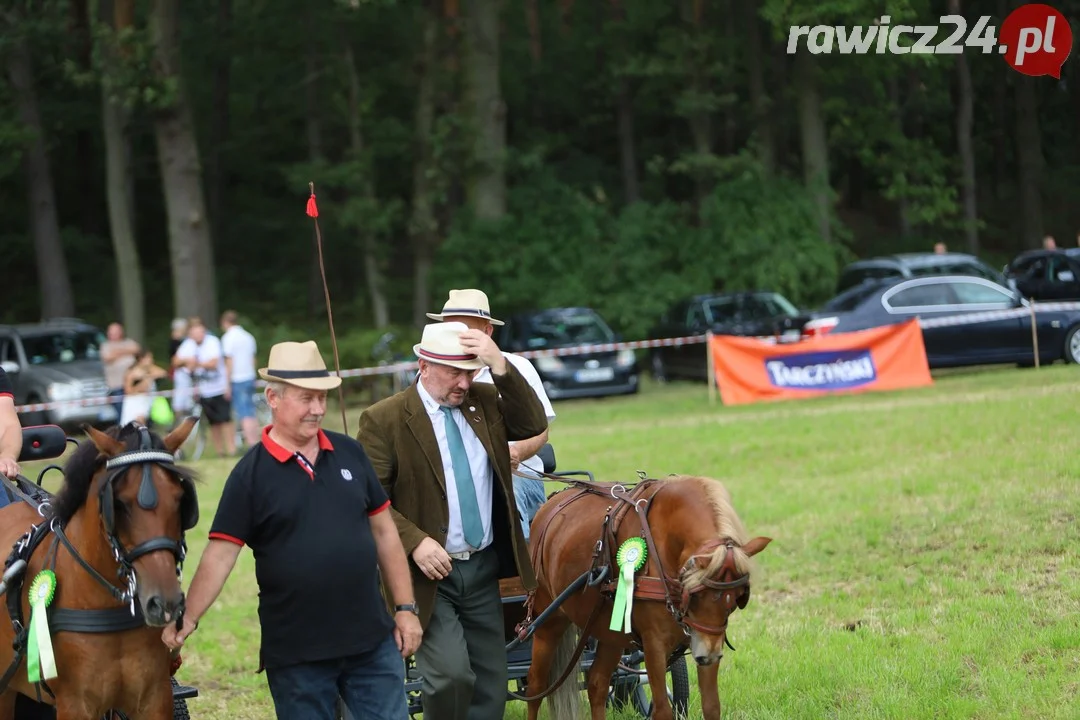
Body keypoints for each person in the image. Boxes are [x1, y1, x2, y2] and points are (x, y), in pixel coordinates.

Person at [161, 340, 420, 720]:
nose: (317, 409)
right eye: (306, 399)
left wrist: (405, 609)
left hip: (372, 644)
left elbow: (385, 534)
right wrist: (188, 619)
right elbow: (220, 555)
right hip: (298, 655)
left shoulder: (350, 453)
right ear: (273, 398)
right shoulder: (249, 475)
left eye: (322, 398)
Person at [355, 321, 548, 720]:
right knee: (450, 676)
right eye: (453, 372)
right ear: (423, 365)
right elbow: (367, 498)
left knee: (490, 680)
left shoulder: (485, 401)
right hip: (426, 575)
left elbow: (532, 424)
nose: (463, 382)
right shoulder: (384, 419)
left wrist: (498, 365)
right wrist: (415, 542)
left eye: (470, 371)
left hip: (481, 566)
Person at [426, 289, 556, 540]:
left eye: (466, 331)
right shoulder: (432, 374)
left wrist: (516, 452)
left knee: (505, 491)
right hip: (454, 481)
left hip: (519, 477)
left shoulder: (517, 369)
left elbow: (541, 432)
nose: (457, 338)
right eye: (449, 330)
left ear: (487, 332)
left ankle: (520, 574)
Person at [173, 318, 235, 457]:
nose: (198, 335)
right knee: (213, 423)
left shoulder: (212, 342)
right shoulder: (188, 344)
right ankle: (220, 451)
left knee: (225, 419)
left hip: (218, 387)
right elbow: (175, 361)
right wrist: (187, 361)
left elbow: (213, 363)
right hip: (203, 390)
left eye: (200, 332)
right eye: (194, 333)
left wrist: (196, 364)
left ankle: (232, 450)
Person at [220, 310, 260, 448]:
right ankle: (255, 440)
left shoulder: (228, 338)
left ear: (225, 323)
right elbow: (253, 358)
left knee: (244, 413)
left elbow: (229, 362)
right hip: (249, 376)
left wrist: (227, 384)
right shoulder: (248, 337)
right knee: (251, 411)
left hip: (238, 378)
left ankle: (251, 443)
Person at [100, 322, 140, 421]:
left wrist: (117, 352)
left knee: (135, 411)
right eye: (110, 332)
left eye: (115, 332)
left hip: (133, 385)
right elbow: (108, 357)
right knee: (122, 414)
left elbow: (136, 349)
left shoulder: (128, 342)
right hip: (116, 386)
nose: (112, 334)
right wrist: (126, 351)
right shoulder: (105, 346)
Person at [120, 350, 169, 427]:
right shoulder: (132, 373)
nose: (151, 360)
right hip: (135, 402)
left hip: (145, 401)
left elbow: (163, 373)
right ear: (141, 359)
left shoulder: (149, 369)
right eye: (148, 358)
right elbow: (128, 390)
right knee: (136, 424)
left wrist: (149, 376)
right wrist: (142, 384)